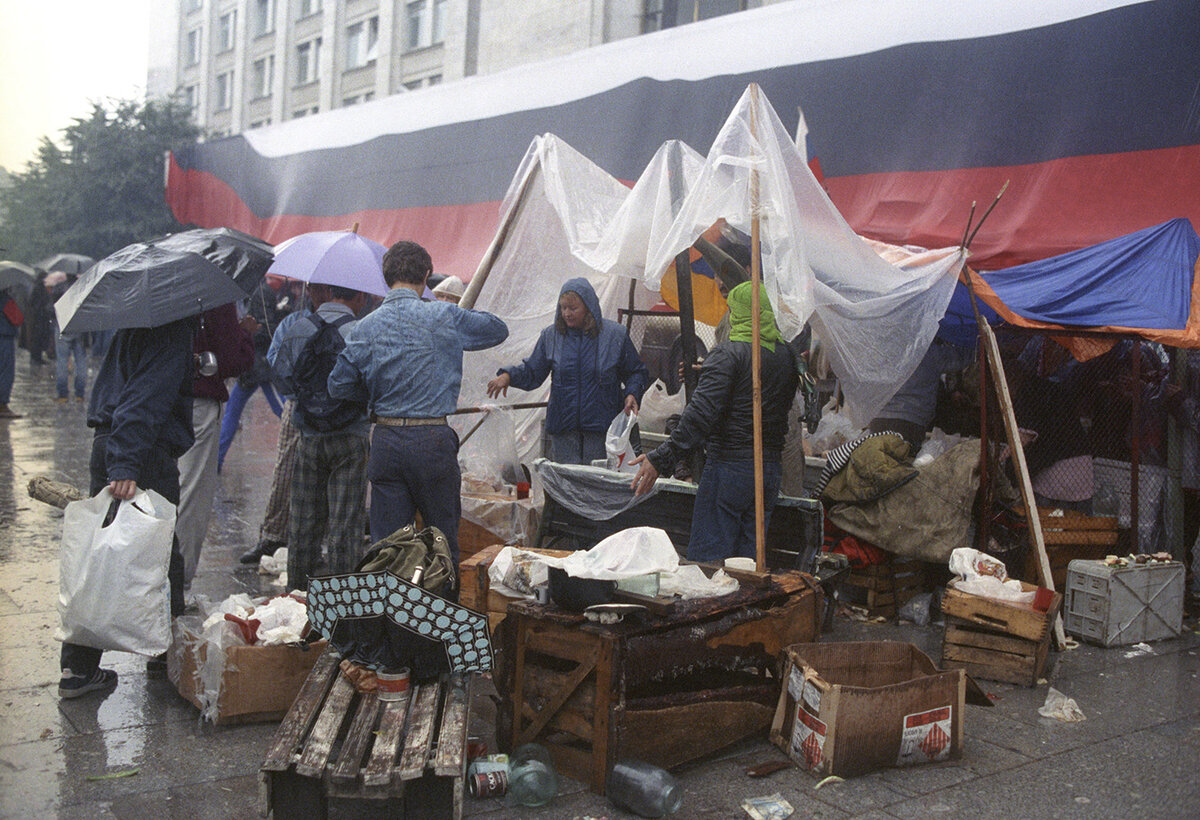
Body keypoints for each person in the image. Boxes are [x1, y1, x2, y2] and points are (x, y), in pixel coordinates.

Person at [329, 240, 508, 572]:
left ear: (386, 278)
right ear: (427, 275)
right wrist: (454, 317)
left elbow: (337, 385)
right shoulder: (443, 315)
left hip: (385, 439)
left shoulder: (364, 327)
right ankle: (439, 617)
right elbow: (497, 329)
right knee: (442, 545)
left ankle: (392, 620)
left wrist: (373, 388)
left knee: (388, 549)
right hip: (432, 440)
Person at [58, 316, 195, 698]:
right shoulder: (172, 328)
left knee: (97, 556)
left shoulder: (134, 322)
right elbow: (145, 397)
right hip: (140, 450)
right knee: (160, 553)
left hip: (110, 442)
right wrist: (126, 463)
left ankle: (77, 668)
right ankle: (166, 657)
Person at [629, 282, 799, 562]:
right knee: (749, 564)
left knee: (711, 564)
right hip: (768, 470)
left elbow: (700, 415)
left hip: (730, 469)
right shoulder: (786, 356)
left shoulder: (728, 353)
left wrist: (661, 458)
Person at [486, 277, 648, 465]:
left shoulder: (614, 335)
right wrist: (508, 376)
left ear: (588, 307)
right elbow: (533, 372)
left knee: (595, 485)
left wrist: (632, 393)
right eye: (563, 308)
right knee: (566, 485)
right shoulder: (551, 336)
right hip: (564, 431)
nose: (567, 313)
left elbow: (636, 371)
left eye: (573, 308)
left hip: (602, 430)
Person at [272, 284, 370, 590]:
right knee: (345, 522)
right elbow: (373, 378)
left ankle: (298, 596)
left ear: (328, 293)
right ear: (360, 296)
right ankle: (343, 602)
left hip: (309, 436)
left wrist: (308, 405)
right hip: (351, 437)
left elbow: (280, 375)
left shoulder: (299, 326)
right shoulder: (360, 330)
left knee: (303, 520)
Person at [175, 304, 254, 594]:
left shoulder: (160, 283)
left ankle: (155, 578)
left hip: (157, 398)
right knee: (191, 496)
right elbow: (232, 359)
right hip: (197, 399)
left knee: (161, 494)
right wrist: (244, 334)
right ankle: (177, 585)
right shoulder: (213, 291)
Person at [238, 287, 319, 565]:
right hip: (335, 409)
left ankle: (274, 535)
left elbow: (275, 362)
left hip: (298, 404)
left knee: (285, 468)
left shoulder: (293, 323)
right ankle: (314, 539)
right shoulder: (350, 324)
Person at [217, 282, 286, 471]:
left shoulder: (253, 292)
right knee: (283, 409)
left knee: (234, 410)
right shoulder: (258, 292)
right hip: (258, 364)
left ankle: (217, 460)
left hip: (254, 363)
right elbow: (266, 328)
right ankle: (217, 460)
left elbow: (264, 326)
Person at [50, 273, 88, 402]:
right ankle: (80, 394)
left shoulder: (59, 287)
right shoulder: (83, 287)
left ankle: (62, 395)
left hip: (62, 326)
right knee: (81, 362)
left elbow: (52, 307)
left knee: (62, 361)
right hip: (79, 327)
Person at [0, 287, 23, 419]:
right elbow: (17, 319)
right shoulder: (6, 300)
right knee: (5, 372)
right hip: (4, 338)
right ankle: (2, 405)